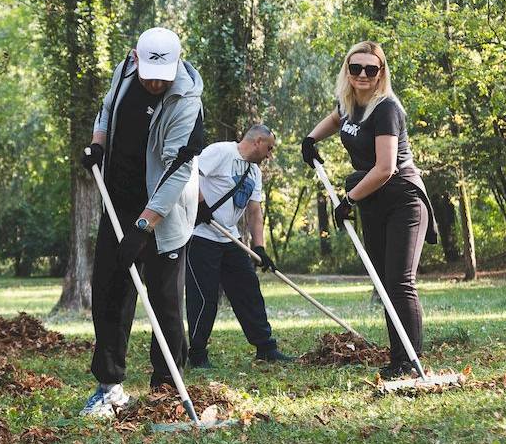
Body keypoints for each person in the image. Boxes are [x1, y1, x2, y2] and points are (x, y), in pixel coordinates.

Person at [78, 26, 205, 417]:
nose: (154, 83)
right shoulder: (125, 70)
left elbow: (177, 171)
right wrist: (99, 142)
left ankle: (167, 389)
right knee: (109, 293)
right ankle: (110, 387)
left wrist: (144, 225)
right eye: (149, 73)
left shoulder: (186, 100)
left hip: (164, 212)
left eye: (162, 77)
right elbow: (106, 107)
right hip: (117, 202)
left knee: (165, 301)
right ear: (136, 57)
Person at [300, 41, 437, 379]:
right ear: (347, 71)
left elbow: (385, 168)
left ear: (381, 73)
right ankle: (398, 359)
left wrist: (349, 200)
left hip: (403, 198)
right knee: (384, 283)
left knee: (400, 281)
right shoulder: (349, 104)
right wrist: (311, 140)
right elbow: (335, 120)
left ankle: (411, 362)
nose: (363, 74)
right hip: (373, 200)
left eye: (371, 69)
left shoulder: (386, 108)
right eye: (356, 68)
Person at [186, 124, 294, 368]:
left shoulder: (254, 173)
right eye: (269, 148)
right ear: (257, 141)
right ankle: (197, 353)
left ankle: (265, 347)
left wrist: (260, 248)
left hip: (230, 238)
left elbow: (255, 212)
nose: (269, 155)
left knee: (249, 291)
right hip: (201, 236)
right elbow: (190, 174)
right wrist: (200, 205)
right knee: (204, 297)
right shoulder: (222, 152)